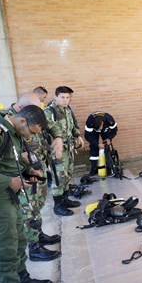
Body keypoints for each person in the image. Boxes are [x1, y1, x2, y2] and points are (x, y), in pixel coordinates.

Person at [0, 105, 52, 283]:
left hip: (10, 196)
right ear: (22, 121)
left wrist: (29, 171)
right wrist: (9, 182)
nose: (30, 137)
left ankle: (23, 282)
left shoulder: (14, 133)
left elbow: (12, 161)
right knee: (7, 251)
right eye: (31, 132)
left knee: (19, 242)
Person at [7, 92, 63, 262]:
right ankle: (34, 248)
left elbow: (50, 125)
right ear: (21, 110)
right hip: (23, 175)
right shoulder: (7, 125)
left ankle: (38, 236)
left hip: (37, 169)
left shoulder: (31, 115)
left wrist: (58, 138)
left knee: (37, 205)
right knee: (28, 210)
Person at [44, 86, 84, 216]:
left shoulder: (67, 110)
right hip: (58, 151)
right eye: (62, 97)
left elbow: (73, 125)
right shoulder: (49, 112)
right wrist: (52, 149)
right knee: (58, 178)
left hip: (69, 148)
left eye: (68, 97)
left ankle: (65, 199)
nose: (65, 100)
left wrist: (78, 135)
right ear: (56, 97)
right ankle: (58, 206)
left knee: (67, 175)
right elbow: (44, 133)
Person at [84, 111, 118, 176]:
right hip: (93, 132)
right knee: (93, 146)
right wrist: (97, 144)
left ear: (102, 123)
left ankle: (111, 167)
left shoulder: (109, 120)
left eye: (99, 129)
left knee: (108, 146)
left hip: (105, 130)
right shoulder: (89, 122)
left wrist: (109, 138)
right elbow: (87, 135)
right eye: (98, 129)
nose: (99, 131)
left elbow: (115, 130)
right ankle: (94, 168)